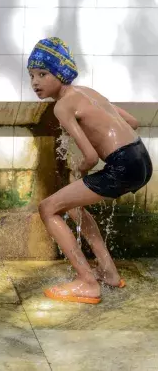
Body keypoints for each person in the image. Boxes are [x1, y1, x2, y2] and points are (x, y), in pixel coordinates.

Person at [28, 37, 152, 304]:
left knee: (48, 208)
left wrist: (79, 171)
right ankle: (108, 272)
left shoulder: (62, 106)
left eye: (42, 74)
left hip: (121, 164)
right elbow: (131, 121)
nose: (35, 82)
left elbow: (90, 156)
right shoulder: (87, 92)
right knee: (74, 207)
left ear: (60, 73)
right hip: (141, 159)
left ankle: (87, 282)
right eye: (31, 76)